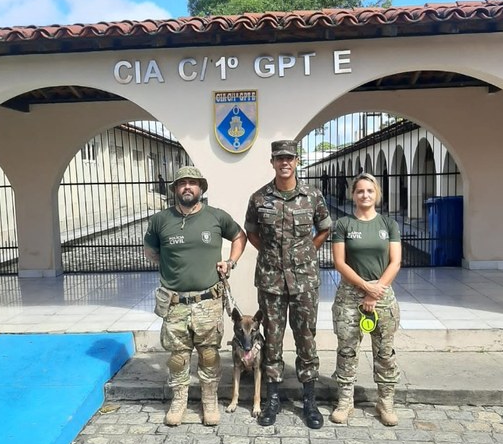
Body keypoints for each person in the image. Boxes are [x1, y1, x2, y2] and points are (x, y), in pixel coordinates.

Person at [144, 166, 246, 427]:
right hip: (175, 303)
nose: (187, 187)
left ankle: (209, 401)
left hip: (208, 302)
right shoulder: (160, 220)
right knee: (178, 357)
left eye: (192, 183)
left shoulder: (216, 217)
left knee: (209, 354)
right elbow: (151, 251)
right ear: (175, 189)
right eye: (182, 183)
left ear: (201, 188)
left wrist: (230, 263)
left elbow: (239, 236)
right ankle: (179, 401)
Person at [245, 140, 332, 428]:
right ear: (272, 162)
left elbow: (325, 227)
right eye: (279, 158)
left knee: (306, 337)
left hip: (304, 281)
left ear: (297, 161)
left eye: (290, 158)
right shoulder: (259, 198)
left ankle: (309, 400)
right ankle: (272, 398)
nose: (285, 163)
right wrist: (272, 256)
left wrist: (306, 253)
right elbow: (252, 233)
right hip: (271, 282)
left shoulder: (312, 195)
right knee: (272, 339)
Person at [330, 172, 402, 426]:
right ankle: (345, 400)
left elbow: (395, 261)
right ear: (353, 195)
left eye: (370, 191)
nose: (365, 195)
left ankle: (385, 401)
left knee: (384, 352)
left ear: (377, 194)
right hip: (350, 296)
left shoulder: (388, 225)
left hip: (382, 295)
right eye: (360, 191)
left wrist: (377, 289)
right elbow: (339, 262)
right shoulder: (343, 225)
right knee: (347, 350)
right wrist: (364, 287)